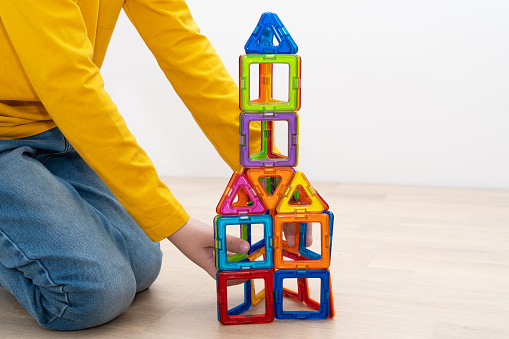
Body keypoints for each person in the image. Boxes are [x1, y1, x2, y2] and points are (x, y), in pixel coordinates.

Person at [0, 0, 260, 331]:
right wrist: (176, 224)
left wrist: (268, 174)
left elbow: (185, 49)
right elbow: (70, 84)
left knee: (143, 263)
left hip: (55, 130)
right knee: (91, 293)